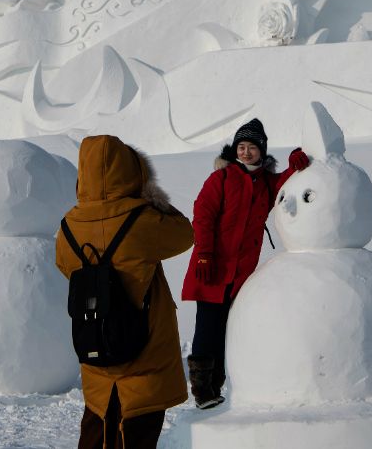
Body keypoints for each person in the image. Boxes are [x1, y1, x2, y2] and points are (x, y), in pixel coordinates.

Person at [56, 135, 194, 449]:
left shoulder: (69, 225)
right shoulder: (143, 220)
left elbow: (64, 265)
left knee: (95, 432)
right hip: (142, 357)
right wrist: (152, 198)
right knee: (136, 433)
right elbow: (185, 234)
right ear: (132, 172)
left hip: (95, 351)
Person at [179, 118, 309, 408]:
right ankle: (203, 390)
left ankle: (217, 386)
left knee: (228, 328)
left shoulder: (264, 182)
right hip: (212, 266)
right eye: (241, 147)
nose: (246, 152)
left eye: (252, 147)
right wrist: (204, 253)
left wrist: (295, 163)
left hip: (240, 273)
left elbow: (284, 182)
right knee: (208, 326)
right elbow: (203, 216)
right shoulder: (222, 179)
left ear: (262, 151)